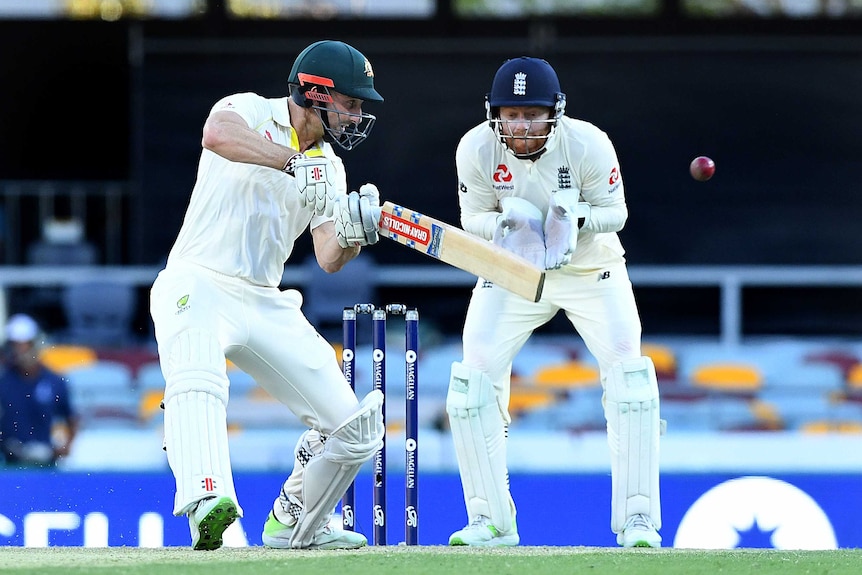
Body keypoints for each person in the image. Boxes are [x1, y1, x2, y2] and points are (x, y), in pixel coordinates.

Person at [149, 40, 386, 551]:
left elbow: (327, 256)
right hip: (197, 280)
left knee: (357, 429)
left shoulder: (331, 165)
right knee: (197, 377)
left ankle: (295, 520)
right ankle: (206, 499)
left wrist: (355, 231)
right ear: (317, 93)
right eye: (351, 103)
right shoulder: (249, 110)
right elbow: (216, 134)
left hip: (264, 298)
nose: (357, 115)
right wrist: (291, 162)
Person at [445, 57, 662, 548]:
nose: (520, 125)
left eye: (532, 113)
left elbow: (618, 213)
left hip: (590, 269)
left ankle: (638, 521)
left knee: (631, 383)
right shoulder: (475, 148)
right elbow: (471, 217)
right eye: (510, 113)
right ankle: (490, 521)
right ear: (494, 113)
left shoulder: (587, 142)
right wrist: (507, 225)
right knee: (472, 384)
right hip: (513, 269)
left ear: (554, 113)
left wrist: (577, 217)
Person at [0, 313, 79, 468]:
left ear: (34, 344)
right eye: (15, 345)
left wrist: (64, 447)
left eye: (24, 345)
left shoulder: (54, 381)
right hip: (11, 464)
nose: (19, 351)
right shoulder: (3, 380)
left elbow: (71, 418)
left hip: (45, 462)